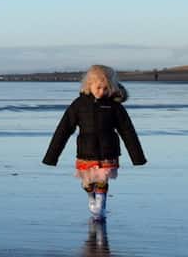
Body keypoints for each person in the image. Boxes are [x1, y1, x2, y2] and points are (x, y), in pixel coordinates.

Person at [43, 64, 146, 220]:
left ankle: (100, 205)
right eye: (98, 88)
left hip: (108, 151)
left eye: (106, 88)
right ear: (89, 85)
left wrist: (137, 157)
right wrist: (51, 157)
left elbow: (127, 131)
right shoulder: (79, 105)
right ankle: (91, 196)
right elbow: (63, 130)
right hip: (86, 151)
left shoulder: (114, 106)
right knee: (88, 183)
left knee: (102, 179)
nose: (102, 92)